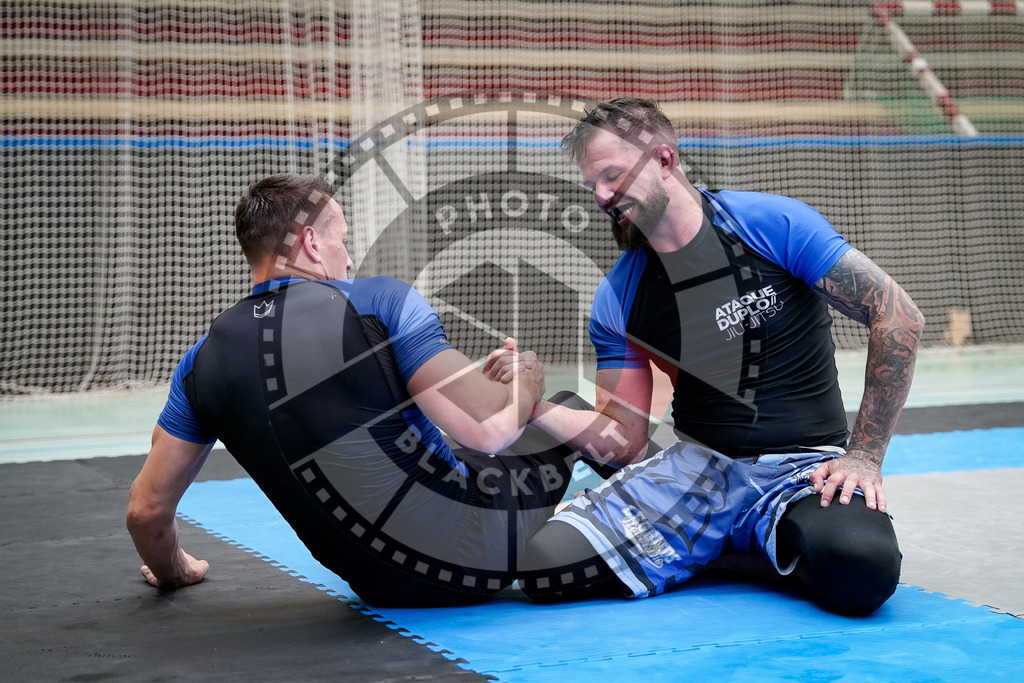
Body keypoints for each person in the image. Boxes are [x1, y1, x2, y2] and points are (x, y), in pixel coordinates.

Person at [501, 96, 925, 615]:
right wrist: (534, 406)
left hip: (802, 471)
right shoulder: (619, 295)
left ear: (663, 160)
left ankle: (730, 548)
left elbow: (898, 316)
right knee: (546, 568)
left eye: (612, 175)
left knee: (863, 570)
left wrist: (863, 456)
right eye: (592, 184)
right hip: (699, 475)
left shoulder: (770, 224)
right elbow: (626, 438)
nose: (602, 196)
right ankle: (729, 547)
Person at [126, 173, 592, 608]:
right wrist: (527, 383)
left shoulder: (199, 363)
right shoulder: (377, 301)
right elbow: (489, 431)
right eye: (342, 239)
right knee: (563, 412)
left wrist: (175, 573)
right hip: (471, 562)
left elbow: (146, 510)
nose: (349, 257)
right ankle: (646, 513)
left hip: (378, 588)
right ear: (310, 242)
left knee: (441, 445)